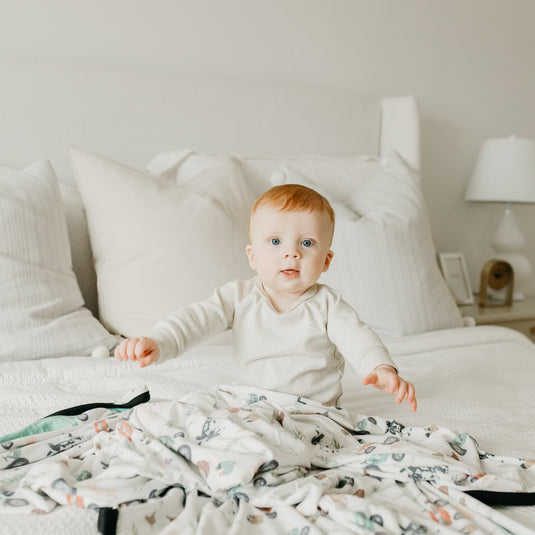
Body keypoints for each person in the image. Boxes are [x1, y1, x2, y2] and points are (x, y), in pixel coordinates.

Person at [115, 184, 417, 411]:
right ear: (253, 256)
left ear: (326, 261)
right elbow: (195, 320)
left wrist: (380, 369)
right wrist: (159, 342)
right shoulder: (239, 296)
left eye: (307, 243)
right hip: (249, 405)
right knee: (189, 413)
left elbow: (359, 338)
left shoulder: (327, 305)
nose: (291, 252)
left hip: (313, 411)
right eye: (274, 241)